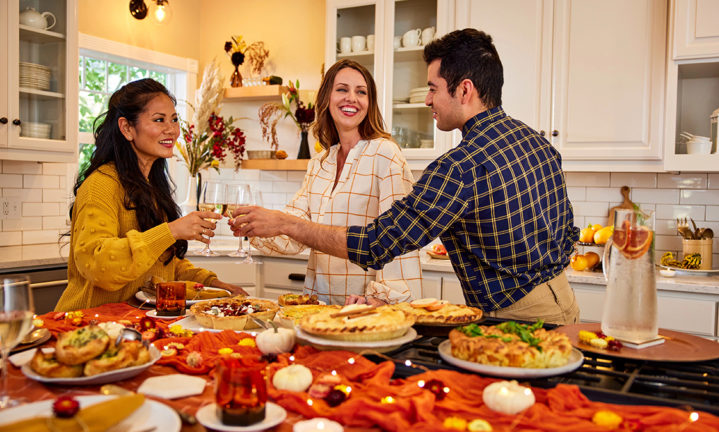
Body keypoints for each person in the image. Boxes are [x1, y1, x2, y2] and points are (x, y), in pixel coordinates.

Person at [232, 29, 579, 324]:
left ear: (464, 90)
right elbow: (568, 231)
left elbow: (377, 243)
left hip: (517, 316)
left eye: (433, 88)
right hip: (563, 298)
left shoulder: (460, 166)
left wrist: (289, 225)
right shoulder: (537, 142)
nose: (428, 99)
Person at [234, 59, 422, 306]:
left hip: (366, 309)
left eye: (361, 92)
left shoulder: (385, 155)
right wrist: (254, 226)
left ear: (370, 103)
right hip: (319, 307)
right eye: (342, 89)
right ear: (326, 99)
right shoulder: (320, 163)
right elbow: (295, 233)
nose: (351, 98)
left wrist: (382, 300)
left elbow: (399, 239)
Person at [56, 78, 246, 311]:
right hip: (89, 327)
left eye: (174, 119)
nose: (172, 129)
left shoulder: (150, 186)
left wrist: (212, 284)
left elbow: (161, 263)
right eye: (159, 120)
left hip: (136, 323)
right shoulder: (101, 185)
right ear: (126, 128)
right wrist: (172, 231)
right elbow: (98, 264)